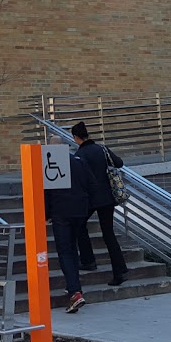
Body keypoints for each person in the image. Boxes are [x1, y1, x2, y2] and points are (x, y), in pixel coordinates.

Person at [69, 121, 128, 287]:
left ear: (75, 137)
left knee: (79, 226)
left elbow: (79, 177)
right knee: (108, 235)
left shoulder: (80, 155)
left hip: (89, 199)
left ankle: (88, 260)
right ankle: (120, 271)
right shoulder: (102, 149)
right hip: (107, 198)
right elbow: (119, 163)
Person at [43, 150, 92, 313]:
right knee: (72, 248)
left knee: (65, 251)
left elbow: (47, 190)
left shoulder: (49, 163)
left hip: (61, 211)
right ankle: (75, 287)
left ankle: (74, 292)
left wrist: (46, 214)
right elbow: (91, 182)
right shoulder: (80, 160)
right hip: (79, 210)